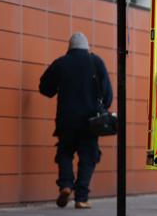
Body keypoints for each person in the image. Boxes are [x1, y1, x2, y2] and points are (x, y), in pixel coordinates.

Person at [39, 32, 112, 209]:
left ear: (70, 47)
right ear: (87, 47)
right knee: (89, 156)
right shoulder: (96, 62)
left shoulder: (61, 63)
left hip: (66, 120)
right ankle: (81, 197)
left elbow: (45, 88)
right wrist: (104, 109)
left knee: (64, 152)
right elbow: (107, 94)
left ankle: (65, 185)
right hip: (90, 121)